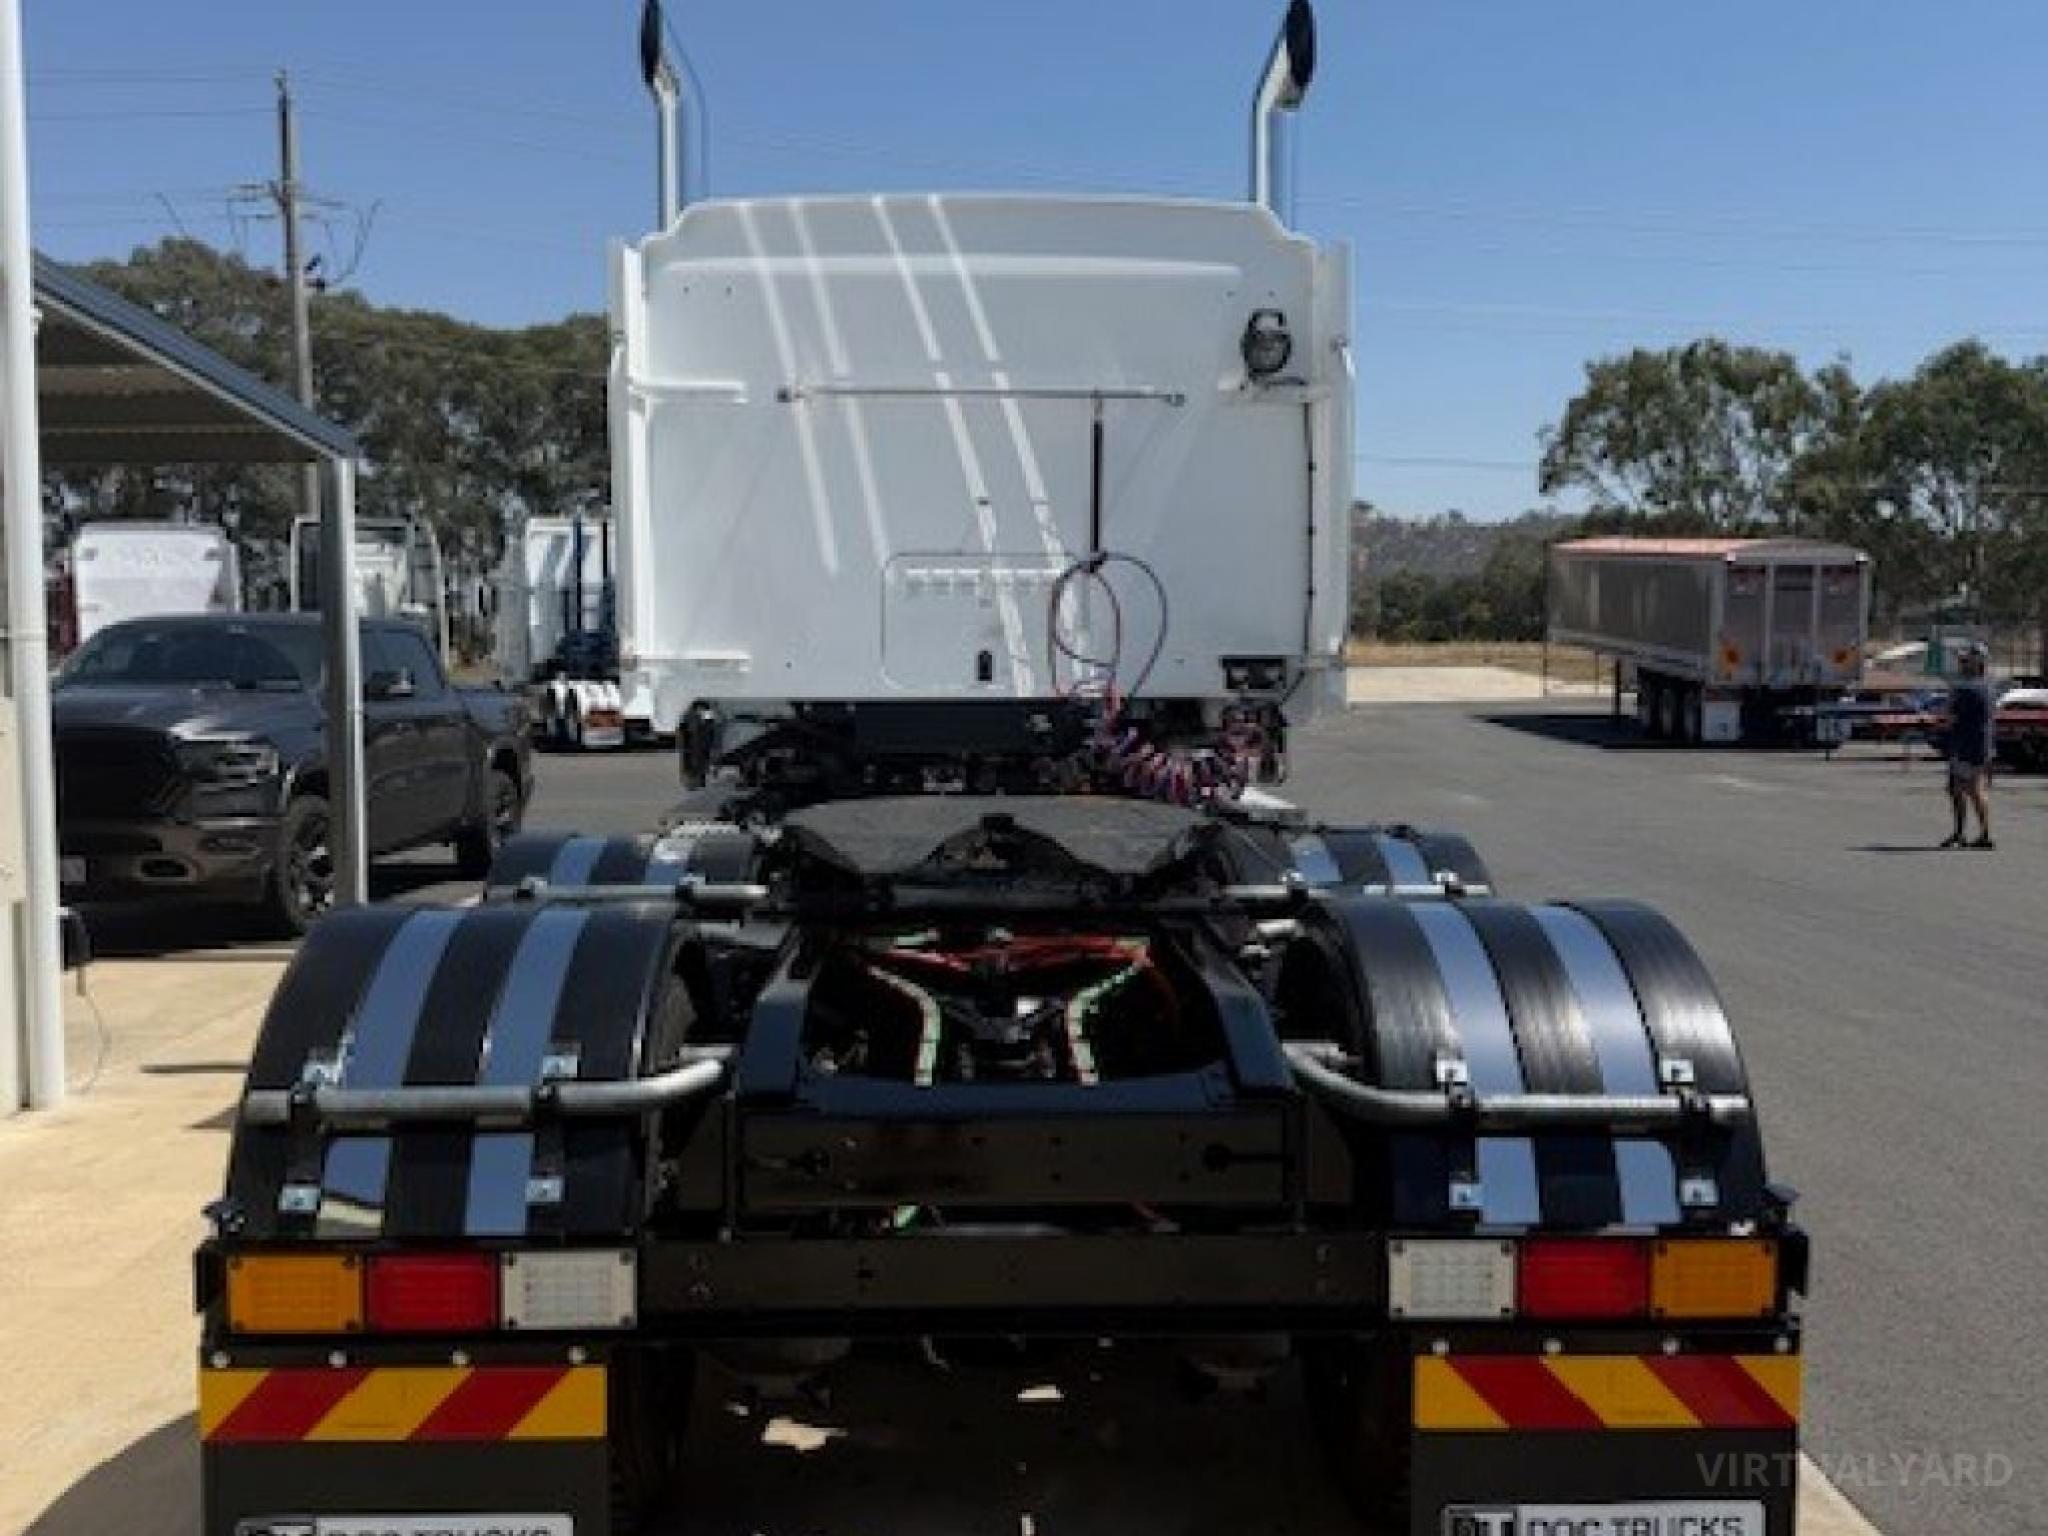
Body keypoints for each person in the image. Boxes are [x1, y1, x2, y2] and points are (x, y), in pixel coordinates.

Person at [1941, 649, 1997, 850]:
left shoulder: (1963, 689)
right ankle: (1978, 833)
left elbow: (1949, 718)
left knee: (1967, 789)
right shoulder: (1989, 686)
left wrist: (1944, 720)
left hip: (1965, 745)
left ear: (1976, 664)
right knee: (1964, 787)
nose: (1961, 664)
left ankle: (1968, 833)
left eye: (1965, 661)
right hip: (1983, 745)